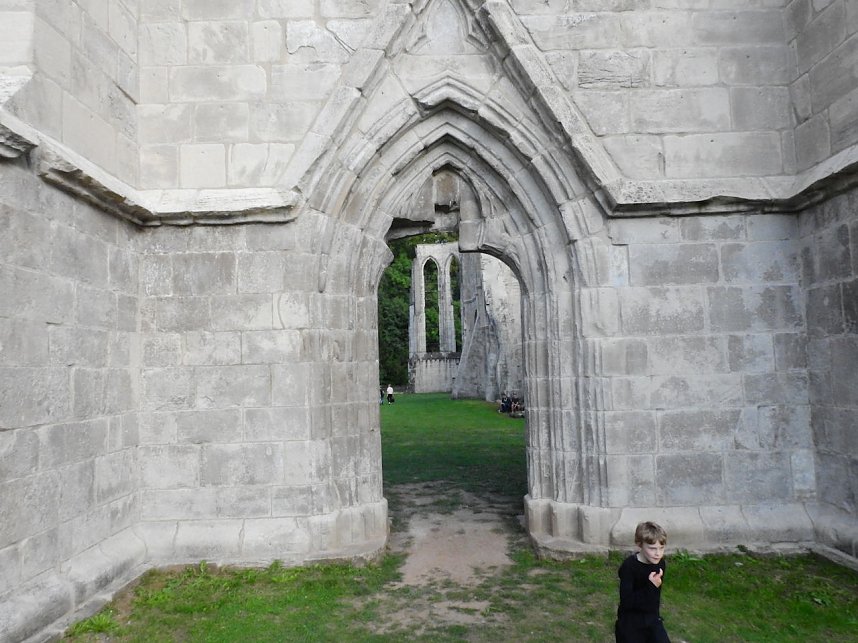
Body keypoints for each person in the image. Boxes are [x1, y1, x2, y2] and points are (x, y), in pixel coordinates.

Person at [615, 521, 670, 643]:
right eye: (652, 548)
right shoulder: (629, 566)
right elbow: (627, 601)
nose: (658, 553)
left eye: (661, 548)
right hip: (630, 623)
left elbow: (654, 598)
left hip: (652, 619)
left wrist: (655, 619)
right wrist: (651, 586)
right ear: (639, 544)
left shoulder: (660, 564)